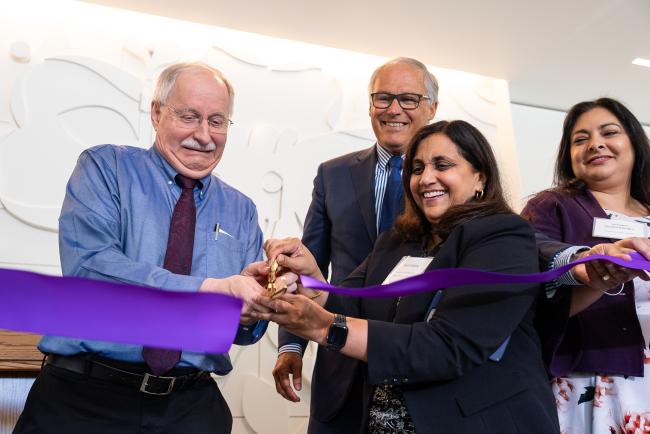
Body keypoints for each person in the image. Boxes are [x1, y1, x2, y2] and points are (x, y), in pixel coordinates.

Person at [13, 62, 296, 434]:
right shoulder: (104, 167)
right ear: (156, 113)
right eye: (189, 116)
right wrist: (212, 289)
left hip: (190, 408)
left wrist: (259, 300)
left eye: (217, 121)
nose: (204, 135)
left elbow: (242, 334)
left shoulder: (242, 209)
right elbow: (92, 269)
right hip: (85, 400)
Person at [261, 120, 560, 434]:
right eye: (417, 168)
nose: (426, 178)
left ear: (480, 178)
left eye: (442, 165)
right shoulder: (396, 241)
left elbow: (448, 346)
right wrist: (308, 281)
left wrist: (325, 327)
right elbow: (346, 304)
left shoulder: (504, 236)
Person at [274, 57, 438, 433]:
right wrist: (291, 346)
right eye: (383, 98)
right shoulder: (333, 174)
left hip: (415, 359)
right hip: (338, 357)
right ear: (369, 106)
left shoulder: (446, 181)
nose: (394, 109)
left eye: (409, 99)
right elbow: (308, 265)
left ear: (431, 108)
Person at [522, 98, 650, 434]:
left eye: (609, 132)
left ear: (634, 142)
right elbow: (530, 257)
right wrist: (590, 268)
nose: (595, 144)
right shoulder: (552, 206)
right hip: (591, 377)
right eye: (580, 139)